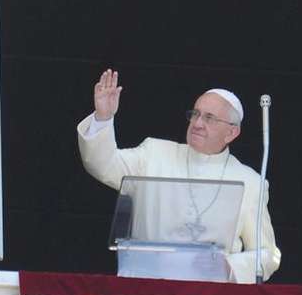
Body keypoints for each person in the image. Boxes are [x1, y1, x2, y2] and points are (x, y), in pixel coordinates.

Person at [77, 69, 281, 283]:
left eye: (209, 118)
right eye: (195, 114)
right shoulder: (153, 153)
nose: (198, 123)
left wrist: (229, 267)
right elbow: (102, 165)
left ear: (231, 132)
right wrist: (103, 117)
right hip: (144, 285)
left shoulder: (250, 182)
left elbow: (267, 254)